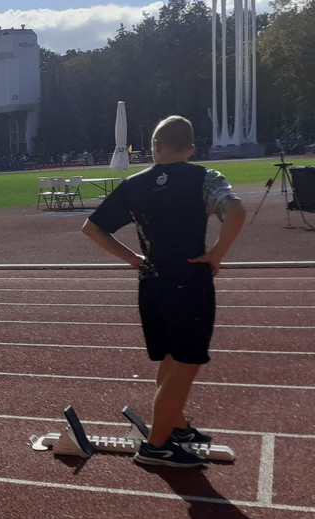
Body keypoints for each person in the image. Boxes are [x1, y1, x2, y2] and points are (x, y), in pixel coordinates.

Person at [82, 115, 245, 469]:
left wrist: (133, 258)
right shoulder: (205, 177)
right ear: (191, 149)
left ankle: (175, 425)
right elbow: (235, 210)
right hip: (189, 281)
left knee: (170, 359)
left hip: (151, 282)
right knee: (185, 364)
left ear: (155, 145)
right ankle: (156, 446)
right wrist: (217, 253)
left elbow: (92, 228)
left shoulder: (133, 184)